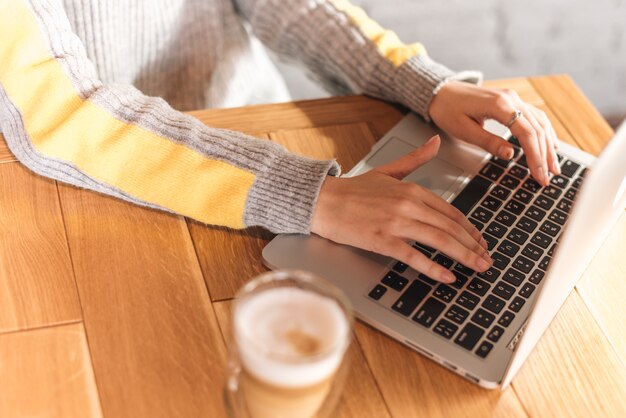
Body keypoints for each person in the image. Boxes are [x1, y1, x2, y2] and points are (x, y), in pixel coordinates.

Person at [0, 0, 560, 283]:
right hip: (108, 185)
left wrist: (421, 83)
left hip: (256, 131)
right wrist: (309, 197)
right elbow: (64, 108)